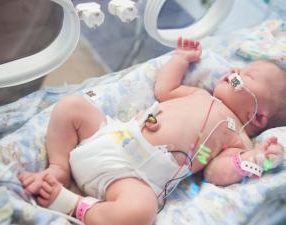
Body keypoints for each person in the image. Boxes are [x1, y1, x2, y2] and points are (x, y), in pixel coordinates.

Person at [19, 37, 285, 225]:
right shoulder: (198, 93)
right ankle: (59, 168)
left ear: (258, 117)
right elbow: (164, 89)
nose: (236, 70)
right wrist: (180, 59)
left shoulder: (237, 137)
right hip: (110, 136)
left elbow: (217, 173)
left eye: (247, 76)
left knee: (141, 213)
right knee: (71, 106)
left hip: (132, 178)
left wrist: (254, 159)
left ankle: (73, 205)